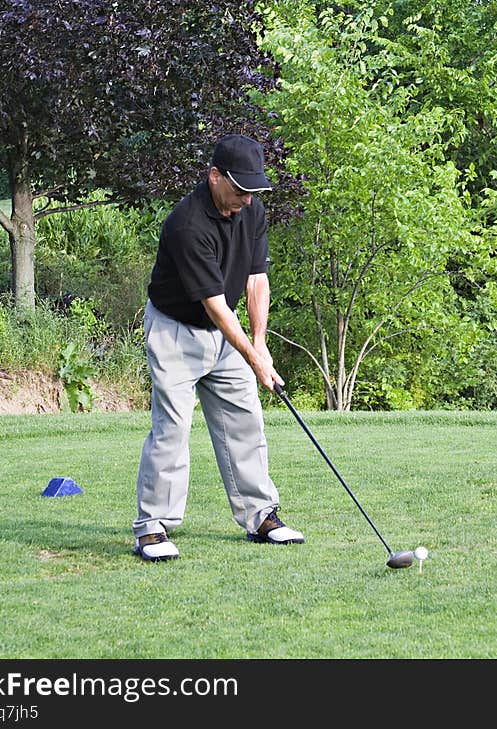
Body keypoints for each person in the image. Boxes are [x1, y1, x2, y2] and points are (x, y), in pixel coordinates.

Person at [132, 133, 304, 562]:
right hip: (175, 330)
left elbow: (256, 279)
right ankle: (153, 528)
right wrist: (253, 358)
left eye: (254, 190)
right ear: (214, 177)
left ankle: (260, 515)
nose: (248, 199)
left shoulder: (252, 211)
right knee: (172, 426)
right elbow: (213, 304)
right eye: (241, 189)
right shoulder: (186, 224)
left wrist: (260, 342)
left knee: (245, 418)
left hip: (223, 333)